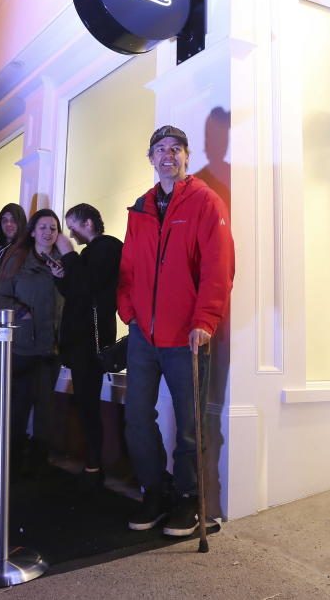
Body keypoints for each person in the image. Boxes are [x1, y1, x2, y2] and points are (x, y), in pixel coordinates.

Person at [118, 124, 235, 536]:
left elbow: (218, 267)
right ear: (150, 158)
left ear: (186, 156)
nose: (168, 155)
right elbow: (129, 266)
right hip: (143, 336)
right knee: (136, 419)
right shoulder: (140, 208)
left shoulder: (205, 201)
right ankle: (157, 489)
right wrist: (128, 311)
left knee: (189, 424)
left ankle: (189, 498)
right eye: (160, 149)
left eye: (176, 149)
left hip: (187, 336)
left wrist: (206, 319)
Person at [50, 203, 123, 492]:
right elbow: (77, 292)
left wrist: (67, 253)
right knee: (85, 403)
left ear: (89, 223)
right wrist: (61, 278)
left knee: (88, 404)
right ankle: (92, 464)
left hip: (89, 343)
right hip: (81, 341)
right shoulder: (91, 253)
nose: (70, 233)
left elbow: (87, 286)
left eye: (73, 226)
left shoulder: (107, 247)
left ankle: (94, 467)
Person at [0, 208, 64, 474]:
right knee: (19, 404)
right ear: (33, 231)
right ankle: (11, 460)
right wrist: (21, 312)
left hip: (51, 346)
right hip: (23, 345)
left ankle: (38, 462)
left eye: (53, 228)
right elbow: (2, 295)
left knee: (45, 406)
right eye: (44, 227)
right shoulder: (18, 259)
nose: (48, 232)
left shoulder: (63, 262)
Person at [0, 203, 28, 431]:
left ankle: (9, 440)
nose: (9, 225)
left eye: (13, 220)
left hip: (11, 329)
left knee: (8, 387)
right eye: (4, 220)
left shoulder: (24, 251)